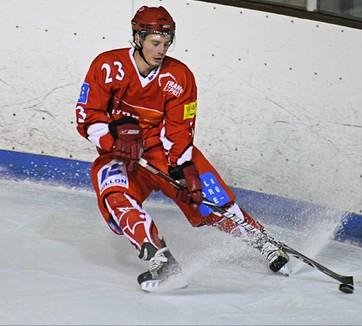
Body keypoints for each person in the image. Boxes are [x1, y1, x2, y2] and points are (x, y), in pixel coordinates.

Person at [74, 5, 289, 291]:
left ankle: (262, 242)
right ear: (137, 38)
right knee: (114, 194)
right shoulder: (106, 65)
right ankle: (160, 259)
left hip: (162, 153)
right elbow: (87, 116)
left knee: (207, 196)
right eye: (154, 42)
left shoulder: (179, 77)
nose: (161, 49)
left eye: (166, 43)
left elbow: (179, 128)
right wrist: (113, 140)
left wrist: (183, 166)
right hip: (121, 155)